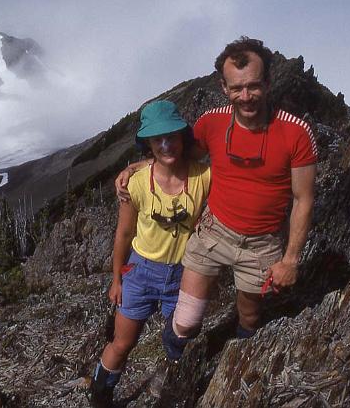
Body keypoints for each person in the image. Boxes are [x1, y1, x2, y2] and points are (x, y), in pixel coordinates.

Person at [116, 36, 317, 359]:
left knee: (250, 317)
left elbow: (304, 198)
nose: (246, 96)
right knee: (185, 321)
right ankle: (175, 368)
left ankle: (235, 367)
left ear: (267, 82)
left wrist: (290, 260)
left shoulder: (295, 133)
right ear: (224, 87)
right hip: (212, 233)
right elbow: (177, 156)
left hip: (261, 245)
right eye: (237, 88)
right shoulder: (212, 123)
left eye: (253, 86)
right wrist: (142, 166)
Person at [90, 100, 211, 407]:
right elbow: (124, 234)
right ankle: (100, 396)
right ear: (148, 143)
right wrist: (116, 279)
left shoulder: (204, 177)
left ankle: (172, 391)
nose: (166, 144)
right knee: (122, 343)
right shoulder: (137, 184)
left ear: (183, 136)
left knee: (180, 345)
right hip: (140, 272)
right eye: (158, 139)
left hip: (184, 274)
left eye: (172, 135)